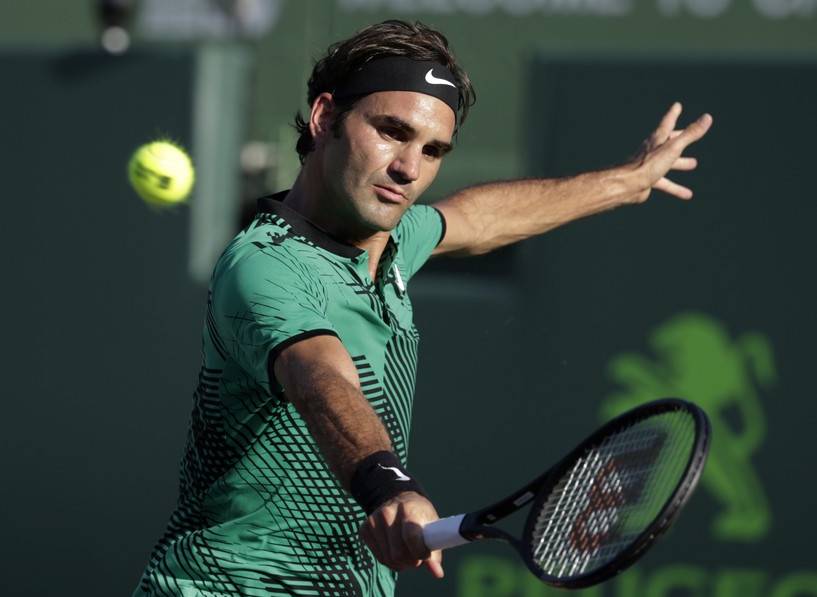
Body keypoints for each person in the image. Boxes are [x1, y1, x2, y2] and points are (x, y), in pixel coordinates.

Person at [133, 19, 712, 597]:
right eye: (391, 131)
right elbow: (321, 381)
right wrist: (389, 489)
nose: (409, 169)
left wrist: (629, 181)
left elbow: (483, 219)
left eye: (433, 150)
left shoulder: (393, 238)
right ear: (325, 118)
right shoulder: (265, 264)